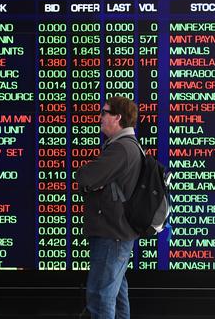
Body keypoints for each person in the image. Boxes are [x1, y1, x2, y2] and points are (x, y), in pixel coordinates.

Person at [76, 96, 142, 319]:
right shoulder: (128, 147)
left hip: (111, 235)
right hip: (118, 234)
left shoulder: (121, 149)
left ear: (118, 117)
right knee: (116, 295)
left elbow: (85, 177)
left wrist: (90, 179)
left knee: (100, 297)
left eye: (104, 113)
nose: (100, 117)